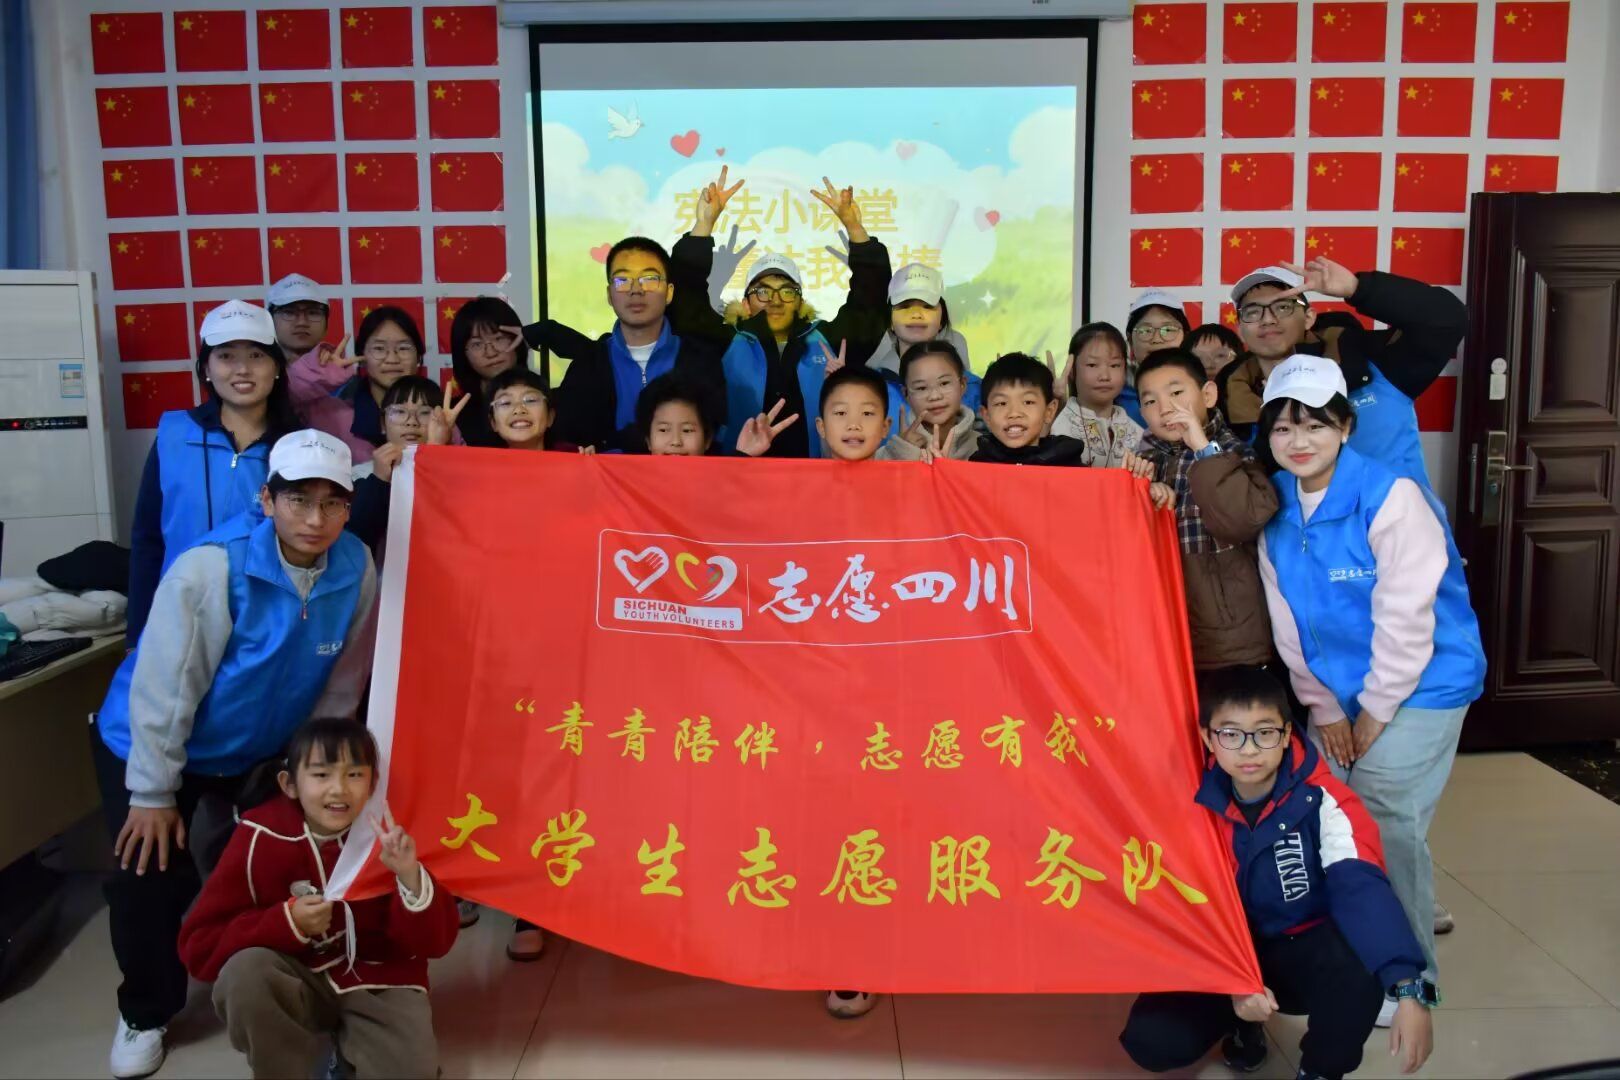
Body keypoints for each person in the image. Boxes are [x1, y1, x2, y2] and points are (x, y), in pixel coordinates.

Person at [93, 430, 377, 1079]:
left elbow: (342, 680)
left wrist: (317, 774)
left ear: (348, 508)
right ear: (266, 499)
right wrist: (153, 792)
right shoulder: (212, 568)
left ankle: (283, 988)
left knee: (284, 858)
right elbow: (166, 688)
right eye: (297, 500)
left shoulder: (355, 567)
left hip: (263, 745)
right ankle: (145, 1011)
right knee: (150, 871)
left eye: (332, 503)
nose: (315, 519)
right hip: (155, 741)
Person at [1255, 355, 1485, 1023]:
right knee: (1331, 814)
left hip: (1424, 681)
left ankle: (1408, 978)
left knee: (1383, 816)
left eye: (1315, 425)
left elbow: (1407, 615)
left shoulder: (1391, 496)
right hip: (1338, 690)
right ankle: (1350, 956)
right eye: (1284, 428)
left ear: (1346, 427)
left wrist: (1376, 710)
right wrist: (1325, 708)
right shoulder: (1275, 504)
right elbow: (1286, 621)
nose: (1299, 441)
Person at [1119, 667, 1434, 1079]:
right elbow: (1173, 905)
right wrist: (1231, 980)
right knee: (1152, 1039)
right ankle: (1241, 1024)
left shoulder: (1324, 801)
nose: (1249, 749)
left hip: (1299, 949)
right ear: (1208, 739)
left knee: (1359, 964)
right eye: (1231, 734)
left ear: (1286, 735)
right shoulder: (1186, 802)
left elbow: (1361, 888)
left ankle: (1319, 1070)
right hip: (1221, 950)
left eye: (1264, 733)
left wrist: (1408, 987)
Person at [178, 720, 457, 1079]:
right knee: (245, 975)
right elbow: (200, 947)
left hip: (379, 980)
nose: (339, 789)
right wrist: (286, 922)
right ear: (289, 784)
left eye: (354, 774)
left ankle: (346, 1055)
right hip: (296, 978)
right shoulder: (259, 837)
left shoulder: (393, 832)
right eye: (321, 775)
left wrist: (409, 876)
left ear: (373, 782)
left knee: (411, 1073)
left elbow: (436, 943)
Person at [669, 169, 892, 456]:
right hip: (737, 475)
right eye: (762, 291)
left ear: (800, 302)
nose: (775, 300)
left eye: (787, 291)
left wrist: (855, 229)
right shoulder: (723, 343)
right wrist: (703, 225)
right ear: (746, 303)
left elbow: (870, 300)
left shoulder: (828, 343)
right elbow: (685, 300)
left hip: (817, 477)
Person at [126, 300, 302, 645]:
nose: (242, 369)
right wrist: (137, 636)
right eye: (226, 356)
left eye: (256, 356)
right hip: (178, 619)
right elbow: (147, 541)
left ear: (277, 368)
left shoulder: (295, 447)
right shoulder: (174, 435)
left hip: (263, 629)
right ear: (206, 368)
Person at [1221, 258, 1465, 488]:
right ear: (1240, 329)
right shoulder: (1226, 397)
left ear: (1308, 318)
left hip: (1397, 517)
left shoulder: (1369, 358)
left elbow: (1446, 320)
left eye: (1282, 307)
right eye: (1252, 312)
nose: (1267, 319)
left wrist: (1357, 288)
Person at [503, 240, 725, 453]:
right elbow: (571, 439)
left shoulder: (701, 361)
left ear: (669, 292)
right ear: (610, 295)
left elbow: (715, 435)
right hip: (606, 479)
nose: (636, 290)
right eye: (622, 281)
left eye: (649, 279)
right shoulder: (588, 365)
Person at [1131, 349, 1276, 671]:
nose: (1165, 408)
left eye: (1176, 393)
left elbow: (1241, 521)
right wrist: (1135, 494)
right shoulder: (1142, 462)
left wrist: (1202, 448)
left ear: (1208, 394)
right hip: (1159, 629)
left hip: (1229, 637)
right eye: (1151, 401)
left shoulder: (1235, 454)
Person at [346, 376, 467, 559]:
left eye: (425, 413)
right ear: (382, 424)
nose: (411, 422)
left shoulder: (458, 475)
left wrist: (433, 454)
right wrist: (379, 481)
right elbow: (355, 538)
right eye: (399, 412)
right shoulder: (357, 475)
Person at [289, 305, 427, 459]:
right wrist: (323, 373)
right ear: (361, 357)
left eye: (403, 348)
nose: (392, 359)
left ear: (418, 357)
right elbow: (282, 397)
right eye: (379, 348)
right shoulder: (330, 416)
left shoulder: (438, 415)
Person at [864, 263, 981, 412]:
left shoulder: (974, 388)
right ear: (889, 320)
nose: (916, 314)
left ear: (942, 319)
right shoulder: (870, 385)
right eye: (905, 306)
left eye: (927, 306)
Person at [968, 352, 1089, 468]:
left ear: (1049, 411)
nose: (1014, 413)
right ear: (986, 416)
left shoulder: (1068, 464)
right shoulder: (975, 467)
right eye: (1002, 403)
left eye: (1028, 402)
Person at [1050, 323, 1144, 468]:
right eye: (1092, 365)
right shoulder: (1055, 426)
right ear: (1072, 370)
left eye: (1114, 365)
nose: (1104, 376)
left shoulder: (1138, 434)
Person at [448, 296, 529, 448]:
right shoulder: (452, 414)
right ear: (462, 354)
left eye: (499, 339)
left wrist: (534, 333)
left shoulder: (543, 402)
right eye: (477, 344)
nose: (491, 352)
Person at [879, 341, 978, 461]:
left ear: (962, 385)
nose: (935, 396)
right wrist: (901, 452)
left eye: (944, 383)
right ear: (906, 394)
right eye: (921, 388)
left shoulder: (982, 448)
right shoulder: (891, 453)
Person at [1118, 289, 1191, 427]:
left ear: (1186, 337)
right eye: (1145, 330)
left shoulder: (1199, 388)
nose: (1157, 339)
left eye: (1168, 330)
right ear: (1130, 339)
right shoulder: (1113, 392)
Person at [266, 273, 330, 358]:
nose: (302, 322)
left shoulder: (341, 366)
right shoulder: (252, 366)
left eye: (312, 313)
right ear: (269, 320)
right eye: (289, 312)